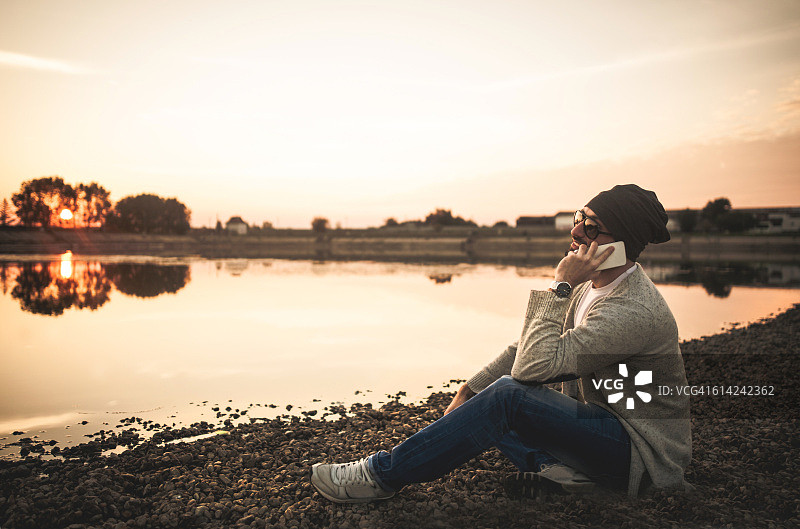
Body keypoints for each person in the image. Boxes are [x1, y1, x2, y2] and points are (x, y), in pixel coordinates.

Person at [310, 184, 692, 503]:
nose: (576, 232)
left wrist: (559, 285)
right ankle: (564, 475)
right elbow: (524, 348)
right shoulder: (595, 284)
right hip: (599, 428)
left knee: (509, 396)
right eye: (579, 219)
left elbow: (532, 369)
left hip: (639, 455)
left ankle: (381, 476)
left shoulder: (632, 309)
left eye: (592, 227)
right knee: (489, 402)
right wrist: (471, 388)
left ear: (620, 243)